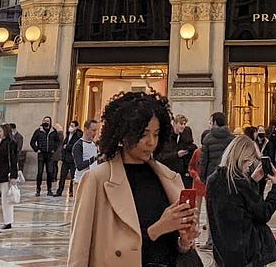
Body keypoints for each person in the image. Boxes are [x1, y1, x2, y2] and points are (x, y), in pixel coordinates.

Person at [67, 90, 198, 267]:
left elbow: (176, 249)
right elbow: (79, 252)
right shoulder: (98, 180)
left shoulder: (169, 178)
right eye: (143, 134)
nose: (151, 142)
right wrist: (157, 229)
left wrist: (184, 241)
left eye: (156, 134)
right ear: (123, 133)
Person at [207, 134, 276, 267]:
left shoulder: (213, 180)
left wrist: (252, 181)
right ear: (243, 159)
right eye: (250, 162)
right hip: (245, 252)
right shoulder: (239, 183)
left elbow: (239, 204)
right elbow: (263, 213)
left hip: (223, 251)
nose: (249, 167)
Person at [157, 115, 196, 188]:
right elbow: (160, 157)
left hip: (180, 173)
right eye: (181, 124)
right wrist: (176, 155)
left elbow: (192, 146)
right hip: (167, 172)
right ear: (175, 123)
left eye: (184, 124)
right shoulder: (166, 138)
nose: (183, 126)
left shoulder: (184, 135)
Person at [199, 112, 235, 187]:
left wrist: (202, 177)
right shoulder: (232, 138)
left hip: (211, 174)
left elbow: (204, 160)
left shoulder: (208, 138)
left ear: (215, 122)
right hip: (228, 175)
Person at [30, 115, 62, 196]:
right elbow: (32, 142)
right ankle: (38, 189)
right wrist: (37, 149)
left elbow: (58, 141)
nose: (46, 122)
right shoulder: (38, 131)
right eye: (44, 121)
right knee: (40, 172)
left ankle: (49, 189)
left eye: (47, 121)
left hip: (50, 155)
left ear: (50, 122)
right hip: (41, 154)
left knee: (50, 172)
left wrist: (54, 149)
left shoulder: (53, 131)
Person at [58, 121, 82, 196]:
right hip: (65, 158)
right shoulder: (68, 134)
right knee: (62, 176)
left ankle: (72, 191)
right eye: (70, 125)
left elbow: (75, 146)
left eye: (72, 126)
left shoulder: (78, 135)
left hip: (73, 159)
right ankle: (59, 191)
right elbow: (64, 144)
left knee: (73, 176)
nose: (70, 127)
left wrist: (67, 147)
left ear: (76, 127)